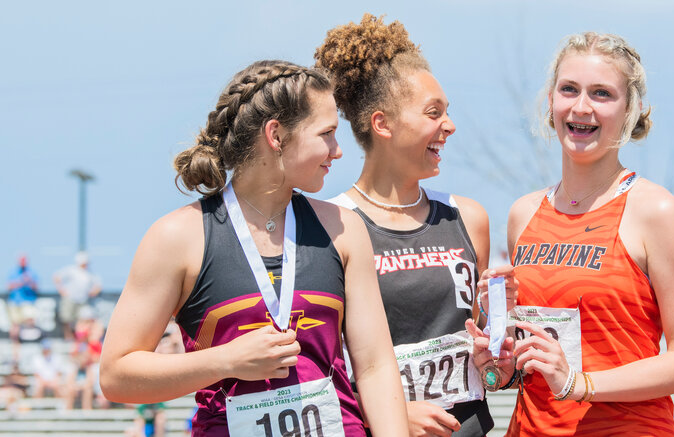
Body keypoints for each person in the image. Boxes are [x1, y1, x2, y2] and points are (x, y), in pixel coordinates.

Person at [99, 60, 407, 436]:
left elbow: (375, 364)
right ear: (276, 135)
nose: (338, 151)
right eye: (326, 133)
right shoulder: (177, 237)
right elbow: (116, 374)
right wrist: (225, 360)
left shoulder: (344, 228)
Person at [465, 32, 674, 436]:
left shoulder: (655, 211)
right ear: (550, 101)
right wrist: (499, 362)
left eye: (601, 94)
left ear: (632, 110)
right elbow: (532, 371)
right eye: (569, 90)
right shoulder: (523, 213)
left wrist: (582, 385)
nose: (581, 107)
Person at [316, 14, 516, 437]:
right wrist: (386, 412)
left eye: (447, 112)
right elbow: (318, 363)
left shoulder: (468, 217)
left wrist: (497, 351)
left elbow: (481, 352)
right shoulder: (330, 224)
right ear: (382, 124)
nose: (450, 125)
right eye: (433, 113)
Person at [54, 252, 101, 340]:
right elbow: (56, 277)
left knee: (81, 319)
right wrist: (62, 290)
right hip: (70, 298)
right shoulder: (71, 270)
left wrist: (92, 292)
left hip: (83, 300)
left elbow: (98, 285)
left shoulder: (90, 273)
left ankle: (78, 338)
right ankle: (68, 337)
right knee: (66, 318)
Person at [6, 254, 39, 360]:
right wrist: (20, 283)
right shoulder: (13, 272)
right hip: (15, 302)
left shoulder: (31, 272)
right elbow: (9, 286)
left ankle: (28, 342)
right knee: (15, 325)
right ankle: (15, 345)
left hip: (28, 301)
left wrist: (28, 282)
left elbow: (36, 286)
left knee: (30, 320)